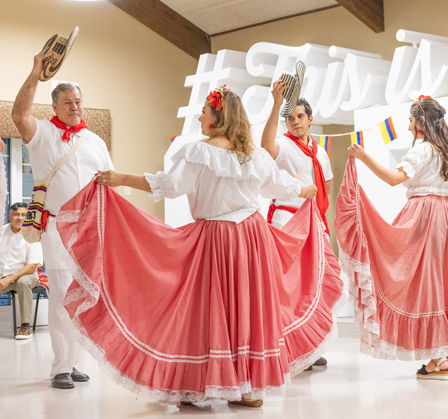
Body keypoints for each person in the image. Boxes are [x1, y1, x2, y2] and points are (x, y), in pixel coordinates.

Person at [56, 86, 343, 406]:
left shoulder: (200, 152)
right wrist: (305, 190)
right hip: (252, 238)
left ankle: (202, 382)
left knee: (208, 310)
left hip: (217, 238)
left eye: (204, 110)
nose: (199, 115)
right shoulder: (253, 155)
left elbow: (169, 185)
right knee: (246, 308)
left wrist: (121, 177)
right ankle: (247, 387)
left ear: (218, 116)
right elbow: (278, 185)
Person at [335, 96, 448, 380]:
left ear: (421, 122)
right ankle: (446, 354)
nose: (409, 126)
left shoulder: (423, 150)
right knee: (443, 279)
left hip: (426, 215)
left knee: (424, 280)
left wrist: (363, 157)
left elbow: (393, 179)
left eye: (410, 120)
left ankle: (437, 358)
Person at [11, 49, 113, 388]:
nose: (75, 107)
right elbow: (18, 113)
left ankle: (75, 361)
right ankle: (60, 368)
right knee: (61, 297)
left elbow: (108, 186)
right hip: (55, 229)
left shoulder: (96, 142)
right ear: (54, 106)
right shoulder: (41, 134)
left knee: (85, 295)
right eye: (67, 102)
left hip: (90, 231)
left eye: (79, 101)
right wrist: (35, 70)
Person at [261, 79, 337, 368]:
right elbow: (266, 146)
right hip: (287, 220)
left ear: (310, 119)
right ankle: (284, 347)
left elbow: (326, 182)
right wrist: (276, 104)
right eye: (290, 118)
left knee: (311, 285)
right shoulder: (285, 146)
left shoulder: (320, 151)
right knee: (286, 286)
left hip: (313, 224)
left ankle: (309, 347)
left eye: (300, 117)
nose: (295, 122)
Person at [0, 203, 43, 339]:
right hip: (3, 277)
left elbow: (32, 266)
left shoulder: (33, 235)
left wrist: (9, 278)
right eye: (16, 214)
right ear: (9, 216)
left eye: (23, 215)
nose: (20, 218)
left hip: (26, 276)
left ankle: (25, 327)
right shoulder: (1, 231)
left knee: (23, 282)